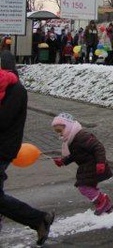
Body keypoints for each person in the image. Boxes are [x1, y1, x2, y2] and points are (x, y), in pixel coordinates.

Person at [0, 51, 55, 245]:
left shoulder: (16, 90)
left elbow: (3, 120)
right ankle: (39, 220)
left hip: (3, 148)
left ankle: (39, 219)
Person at [50, 113, 113, 215]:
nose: (59, 134)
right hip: (86, 167)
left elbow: (98, 147)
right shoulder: (72, 139)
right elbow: (75, 154)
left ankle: (103, 201)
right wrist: (63, 161)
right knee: (87, 187)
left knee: (84, 187)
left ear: (68, 126)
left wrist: (100, 163)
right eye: (57, 132)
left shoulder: (82, 136)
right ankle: (106, 206)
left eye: (60, 131)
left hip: (93, 165)